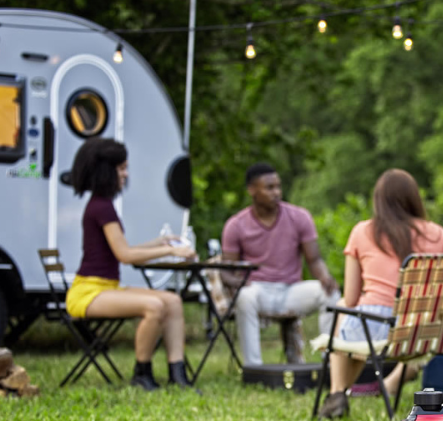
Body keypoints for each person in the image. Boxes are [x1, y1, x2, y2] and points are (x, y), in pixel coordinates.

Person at [317, 169, 443, 420]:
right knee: (355, 324)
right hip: (424, 331)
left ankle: (337, 392)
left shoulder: (363, 231)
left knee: (342, 310)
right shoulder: (437, 234)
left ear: (378, 200)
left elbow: (350, 298)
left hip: (378, 330)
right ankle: (340, 394)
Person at [65, 138, 197, 391]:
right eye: (122, 168)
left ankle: (177, 373)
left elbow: (121, 249)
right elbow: (124, 255)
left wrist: (159, 242)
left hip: (106, 288)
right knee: (154, 306)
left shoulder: (102, 206)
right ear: (107, 171)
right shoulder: (101, 208)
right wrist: (170, 251)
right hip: (88, 293)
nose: (126, 174)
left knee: (173, 301)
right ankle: (142, 372)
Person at [220, 163, 341, 366]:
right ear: (252, 190)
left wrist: (325, 277)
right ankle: (254, 368)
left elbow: (315, 260)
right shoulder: (236, 225)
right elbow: (226, 271)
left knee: (330, 295)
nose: (276, 192)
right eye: (269, 187)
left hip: (291, 290)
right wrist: (239, 283)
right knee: (245, 297)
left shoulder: (299, 217)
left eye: (278, 186)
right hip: (258, 290)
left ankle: (330, 364)